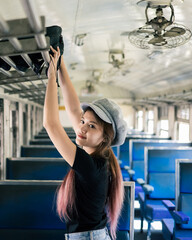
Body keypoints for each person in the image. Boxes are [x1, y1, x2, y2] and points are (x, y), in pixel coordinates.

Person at [43, 46, 127, 240]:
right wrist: (60, 62)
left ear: (104, 138)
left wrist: (51, 79)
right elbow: (73, 109)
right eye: (83, 122)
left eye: (92, 126)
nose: (82, 129)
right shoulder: (99, 153)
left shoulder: (90, 166)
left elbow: (51, 125)